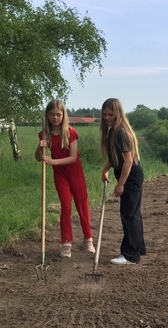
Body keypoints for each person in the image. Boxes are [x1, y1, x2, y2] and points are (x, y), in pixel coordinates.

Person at [35, 100, 95, 258]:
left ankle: (88, 239)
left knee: (81, 205)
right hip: (60, 174)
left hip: (74, 171)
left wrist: (53, 161)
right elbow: (38, 158)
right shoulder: (44, 134)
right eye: (52, 114)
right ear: (47, 116)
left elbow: (73, 157)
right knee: (66, 207)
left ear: (63, 115)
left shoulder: (70, 132)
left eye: (58, 114)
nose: (55, 117)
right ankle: (66, 243)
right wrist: (40, 147)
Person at [100, 98, 146, 265]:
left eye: (110, 114)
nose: (107, 118)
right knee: (132, 213)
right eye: (104, 114)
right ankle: (138, 248)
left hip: (131, 175)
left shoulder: (121, 132)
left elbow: (128, 160)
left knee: (129, 214)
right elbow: (116, 157)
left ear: (118, 113)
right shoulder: (113, 131)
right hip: (127, 174)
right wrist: (105, 169)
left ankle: (130, 255)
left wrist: (121, 184)